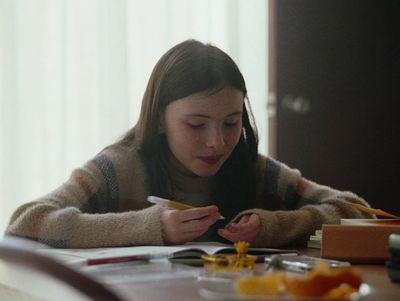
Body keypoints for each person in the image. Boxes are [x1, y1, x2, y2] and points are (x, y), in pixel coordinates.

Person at [5, 39, 372, 248]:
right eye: (196, 125)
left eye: (232, 123)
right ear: (160, 120)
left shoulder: (254, 170)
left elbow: (358, 210)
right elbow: (25, 221)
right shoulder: (118, 168)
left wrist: (274, 225)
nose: (218, 143)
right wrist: (152, 228)